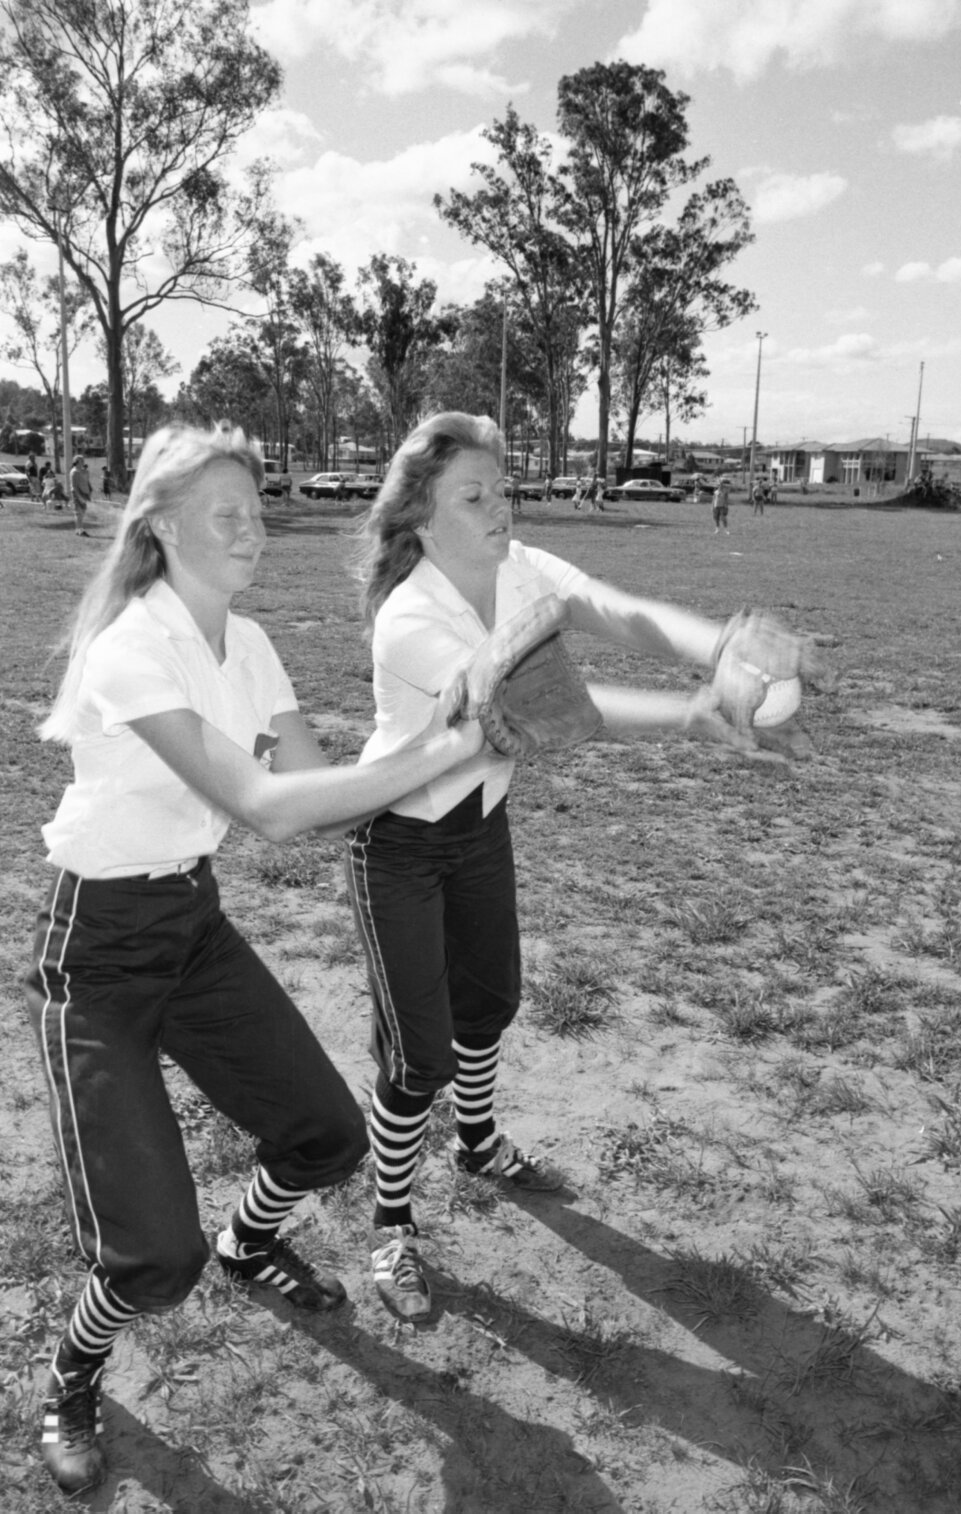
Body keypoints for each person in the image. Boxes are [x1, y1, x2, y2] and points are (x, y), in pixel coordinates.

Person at [26, 422, 483, 1496]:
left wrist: (446, 724)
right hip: (96, 951)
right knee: (151, 1258)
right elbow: (268, 807)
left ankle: (248, 1241)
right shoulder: (131, 646)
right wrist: (452, 743)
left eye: (256, 507)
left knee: (325, 1133)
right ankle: (73, 1372)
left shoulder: (254, 642)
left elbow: (319, 785)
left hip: (191, 925)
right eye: (225, 512)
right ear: (162, 525)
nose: (253, 528)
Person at [345, 412, 815, 1323]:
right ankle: (391, 1223)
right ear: (420, 519)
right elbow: (546, 705)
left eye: (503, 491)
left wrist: (720, 646)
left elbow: (610, 607)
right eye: (474, 497)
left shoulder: (518, 569)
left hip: (478, 824)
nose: (500, 509)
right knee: (417, 1058)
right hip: (397, 843)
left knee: (492, 1004)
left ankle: (476, 1146)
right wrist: (689, 714)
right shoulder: (410, 618)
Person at [70, 454, 92, 536]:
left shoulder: (82, 471)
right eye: (82, 461)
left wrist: (89, 491)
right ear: (77, 462)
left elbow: (86, 482)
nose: (83, 462)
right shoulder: (74, 472)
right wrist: (79, 497)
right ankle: (80, 530)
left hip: (84, 493)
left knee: (82, 512)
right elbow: (74, 486)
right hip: (77, 493)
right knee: (78, 512)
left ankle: (79, 529)